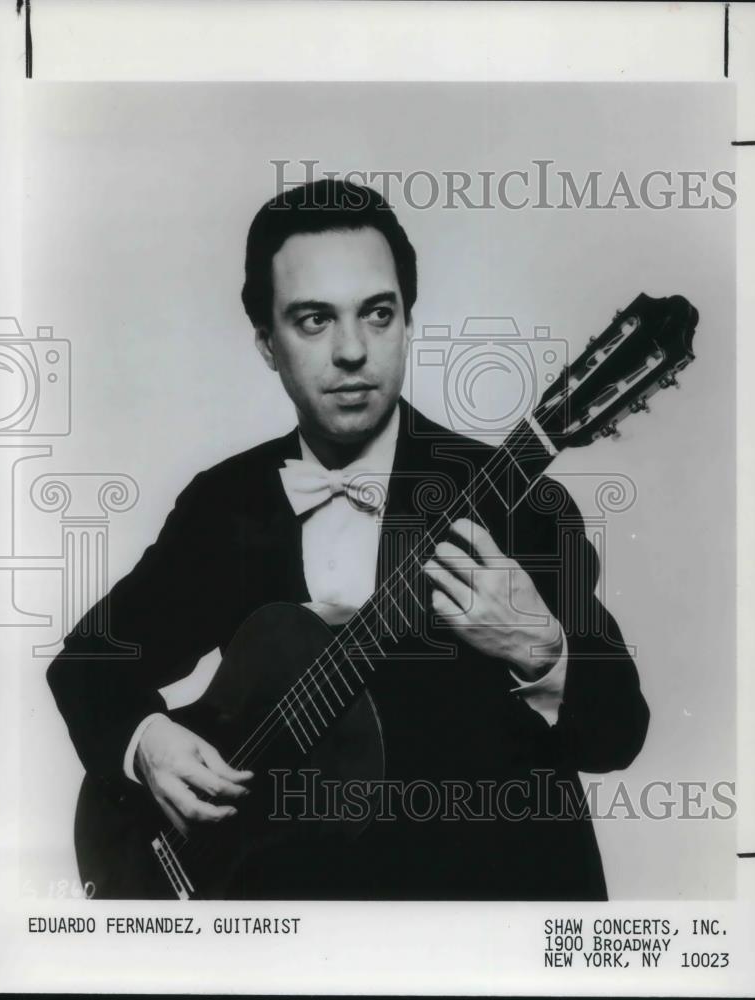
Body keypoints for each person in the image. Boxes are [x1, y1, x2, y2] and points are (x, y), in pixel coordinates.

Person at [47, 178, 649, 900]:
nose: (353, 350)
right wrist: (146, 740)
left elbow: (616, 735)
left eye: (377, 313)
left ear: (407, 321)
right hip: (284, 923)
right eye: (312, 321)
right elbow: (89, 662)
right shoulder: (226, 503)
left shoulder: (524, 506)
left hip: (476, 921)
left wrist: (540, 648)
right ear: (266, 344)